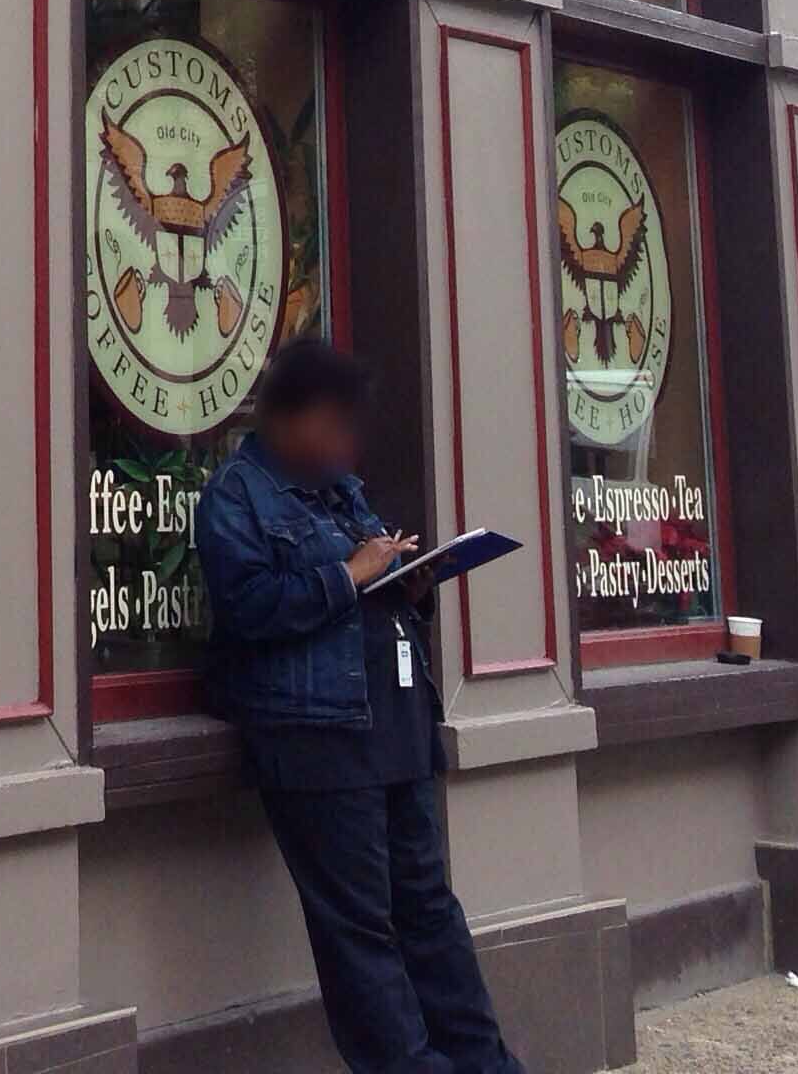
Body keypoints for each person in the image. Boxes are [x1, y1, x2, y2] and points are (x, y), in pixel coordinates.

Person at [194, 338, 523, 1074]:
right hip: (317, 739)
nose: (346, 441)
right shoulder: (236, 495)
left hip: (397, 724)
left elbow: (369, 583)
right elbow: (245, 610)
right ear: (289, 417)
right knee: (361, 932)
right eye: (333, 423)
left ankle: (487, 1064)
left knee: (430, 911)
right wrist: (350, 577)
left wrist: (410, 581)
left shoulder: (344, 489)